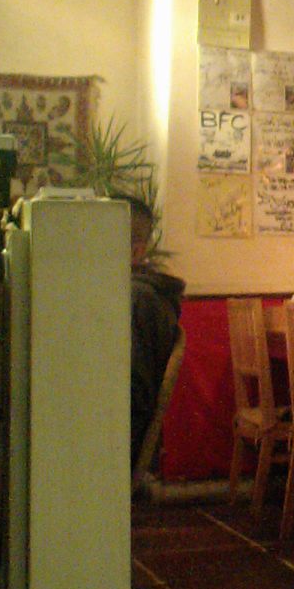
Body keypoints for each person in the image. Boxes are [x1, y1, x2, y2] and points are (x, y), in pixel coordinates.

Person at [118, 194, 186, 467]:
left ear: (136, 252)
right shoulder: (141, 294)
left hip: (118, 446)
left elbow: (132, 397)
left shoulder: (137, 300)